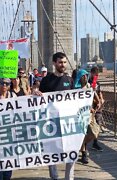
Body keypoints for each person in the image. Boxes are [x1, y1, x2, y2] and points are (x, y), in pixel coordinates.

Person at [36, 52, 74, 180]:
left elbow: (75, 100)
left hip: (67, 121)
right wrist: (36, 93)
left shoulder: (69, 80)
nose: (63, 65)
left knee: (71, 148)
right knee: (51, 150)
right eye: (60, 62)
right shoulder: (46, 80)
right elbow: (39, 99)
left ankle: (69, 177)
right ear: (54, 63)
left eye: (64, 62)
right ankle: (54, 177)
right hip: (51, 122)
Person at [73, 69, 102, 164]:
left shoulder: (89, 85)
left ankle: (83, 144)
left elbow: (93, 94)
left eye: (86, 75)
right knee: (82, 134)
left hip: (90, 115)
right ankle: (84, 153)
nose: (85, 77)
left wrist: (98, 101)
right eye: (83, 76)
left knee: (95, 132)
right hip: (80, 115)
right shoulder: (75, 89)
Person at [88, 66, 104, 151]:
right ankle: (85, 145)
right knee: (88, 125)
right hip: (90, 107)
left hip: (97, 107)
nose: (96, 77)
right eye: (95, 75)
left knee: (98, 124)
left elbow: (99, 92)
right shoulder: (87, 82)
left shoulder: (97, 83)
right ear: (91, 73)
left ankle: (95, 142)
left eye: (97, 75)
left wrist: (101, 100)